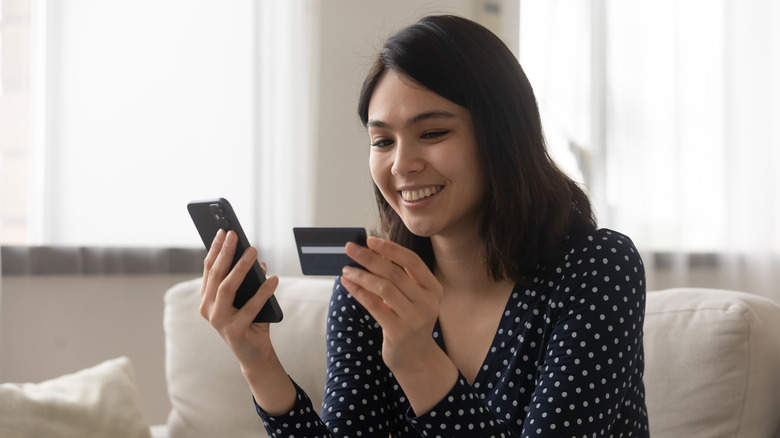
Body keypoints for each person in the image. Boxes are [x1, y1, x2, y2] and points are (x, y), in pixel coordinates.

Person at [199, 14, 649, 437]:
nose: (401, 164)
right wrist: (259, 363)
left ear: (503, 136)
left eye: (432, 133)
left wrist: (417, 359)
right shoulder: (371, 289)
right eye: (382, 141)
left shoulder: (598, 268)